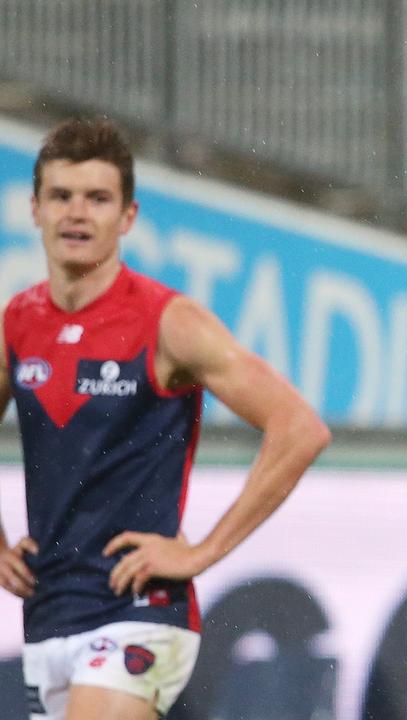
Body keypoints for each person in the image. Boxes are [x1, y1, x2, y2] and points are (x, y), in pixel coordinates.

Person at [0, 118, 331, 720]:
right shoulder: (16, 322)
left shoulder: (167, 322)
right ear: (35, 209)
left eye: (98, 198)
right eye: (61, 196)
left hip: (140, 609)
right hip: (48, 614)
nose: (78, 213)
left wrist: (200, 552)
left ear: (127, 217)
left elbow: (300, 427)